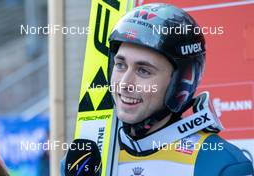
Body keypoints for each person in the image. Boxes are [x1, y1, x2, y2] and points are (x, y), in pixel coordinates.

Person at [61, 3, 254, 176]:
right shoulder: (83, 161)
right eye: (120, 65)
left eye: (143, 71)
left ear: (181, 83)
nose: (124, 83)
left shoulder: (220, 164)